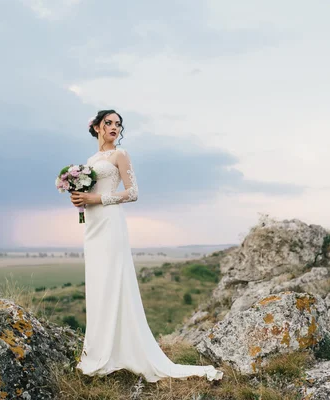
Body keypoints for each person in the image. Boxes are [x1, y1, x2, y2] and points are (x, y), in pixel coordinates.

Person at [70, 109, 223, 382]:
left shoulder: (120, 155)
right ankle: (99, 349)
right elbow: (90, 192)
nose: (114, 127)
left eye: (118, 124)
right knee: (98, 282)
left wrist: (95, 200)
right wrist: (80, 199)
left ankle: (122, 351)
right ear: (95, 127)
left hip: (110, 223)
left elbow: (133, 192)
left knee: (113, 280)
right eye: (109, 123)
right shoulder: (91, 160)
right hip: (92, 225)